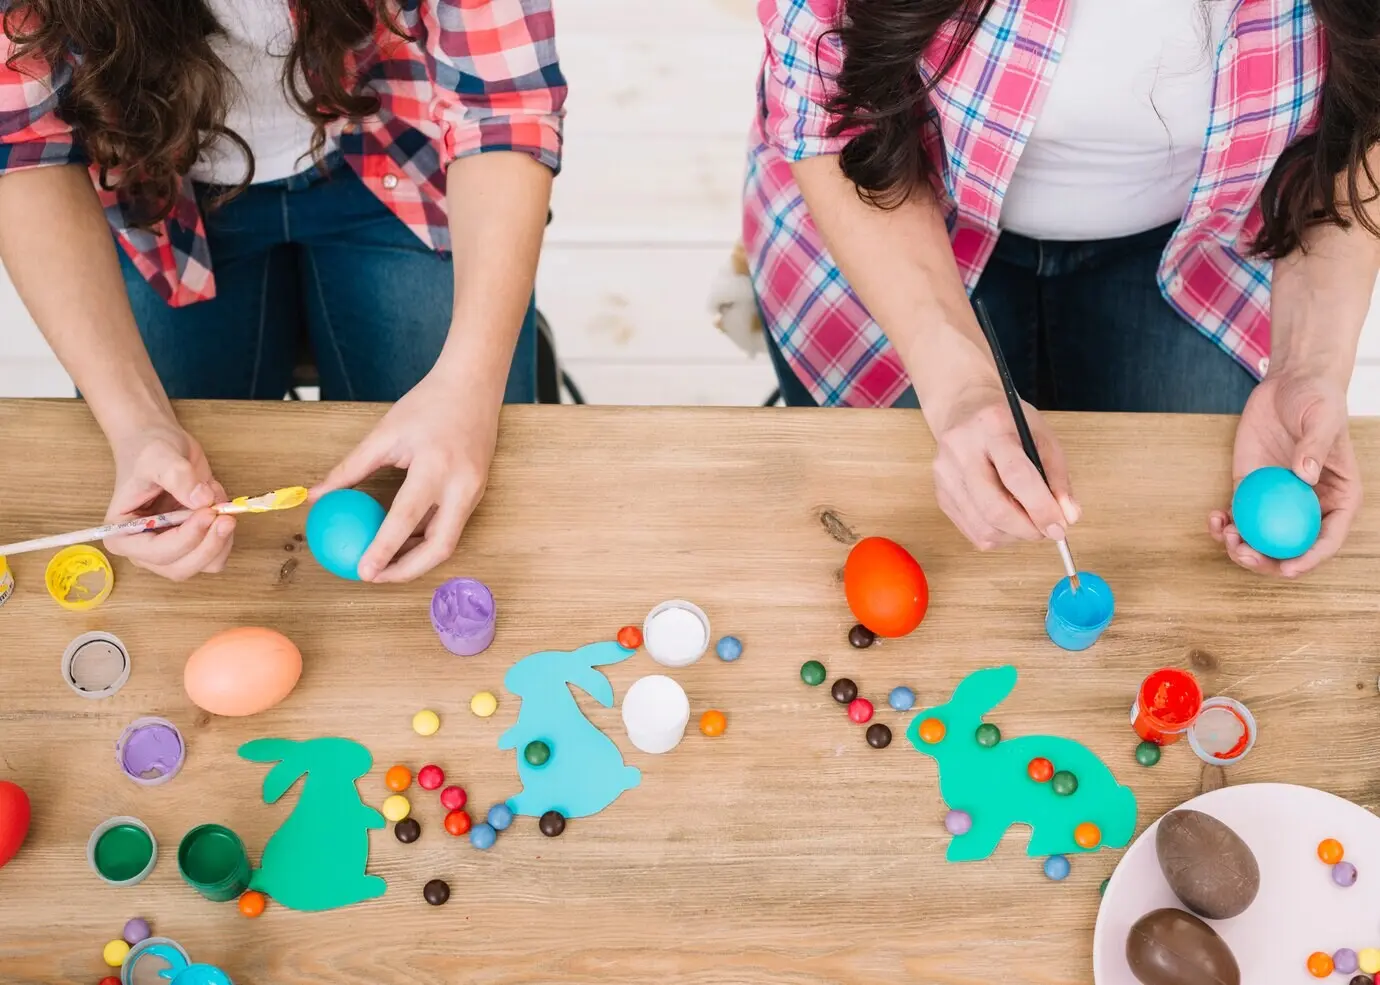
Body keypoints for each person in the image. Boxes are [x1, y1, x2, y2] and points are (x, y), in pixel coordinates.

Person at [746, 0, 1376, 577]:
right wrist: (958, 383)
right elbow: (823, 96)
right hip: (894, 205)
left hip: (1204, 247)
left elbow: (1365, 121)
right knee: (882, 508)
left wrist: (1309, 364)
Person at [0, 0, 564, 583]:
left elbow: (504, 105)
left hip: (399, 144)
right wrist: (136, 425)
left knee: (472, 495)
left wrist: (469, 383)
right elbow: (24, 145)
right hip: (153, 190)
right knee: (157, 502)